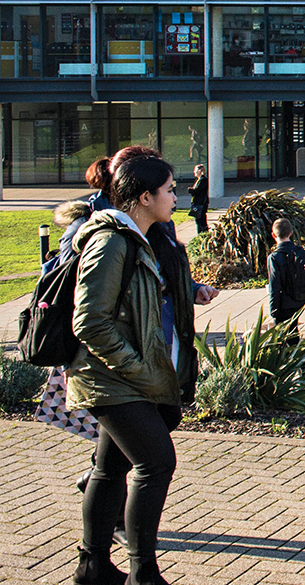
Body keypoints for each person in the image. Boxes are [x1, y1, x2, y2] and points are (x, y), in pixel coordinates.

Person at [70, 153, 219, 585]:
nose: (177, 196)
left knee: (109, 468)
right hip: (112, 377)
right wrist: (135, 367)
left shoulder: (145, 237)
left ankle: (92, 566)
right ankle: (143, 573)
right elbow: (90, 322)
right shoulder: (111, 241)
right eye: (169, 190)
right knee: (155, 463)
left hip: (129, 376)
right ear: (144, 197)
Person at [267, 217, 305, 344]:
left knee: (285, 340)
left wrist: (273, 310)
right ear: (291, 233)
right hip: (300, 299)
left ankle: (297, 356)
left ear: (273, 235)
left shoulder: (274, 257)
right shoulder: (300, 252)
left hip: (284, 304)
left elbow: (275, 286)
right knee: (293, 332)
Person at [187, 164, 209, 235]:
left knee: (201, 220)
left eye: (195, 170)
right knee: (198, 220)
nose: (194, 172)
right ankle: (201, 234)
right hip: (198, 202)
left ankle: (203, 234)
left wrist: (191, 190)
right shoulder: (199, 180)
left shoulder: (203, 180)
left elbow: (197, 191)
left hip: (201, 203)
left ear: (200, 171)